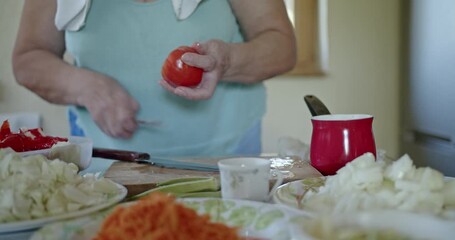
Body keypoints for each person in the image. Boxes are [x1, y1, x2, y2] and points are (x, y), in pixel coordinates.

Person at [12, 0, 296, 168]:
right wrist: (85, 86)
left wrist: (227, 61)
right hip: (106, 163)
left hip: (228, 158)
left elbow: (283, 46)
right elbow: (27, 58)